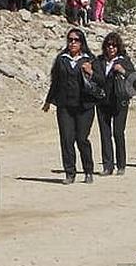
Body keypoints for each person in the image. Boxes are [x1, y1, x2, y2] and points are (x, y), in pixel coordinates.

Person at [44, 28, 102, 184]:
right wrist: (48, 100)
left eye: (76, 40)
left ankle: (88, 171)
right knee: (66, 139)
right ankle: (70, 173)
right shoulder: (61, 59)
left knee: (82, 139)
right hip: (65, 106)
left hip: (85, 106)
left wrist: (91, 72)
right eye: (70, 40)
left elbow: (101, 80)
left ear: (82, 42)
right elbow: (55, 81)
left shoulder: (90, 59)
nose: (72, 43)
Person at [93, 32, 134, 176]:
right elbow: (97, 79)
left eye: (114, 45)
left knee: (118, 133)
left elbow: (135, 79)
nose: (111, 48)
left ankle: (121, 165)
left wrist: (122, 70)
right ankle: (107, 166)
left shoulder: (124, 61)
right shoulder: (98, 61)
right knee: (105, 134)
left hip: (119, 101)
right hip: (103, 102)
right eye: (108, 45)